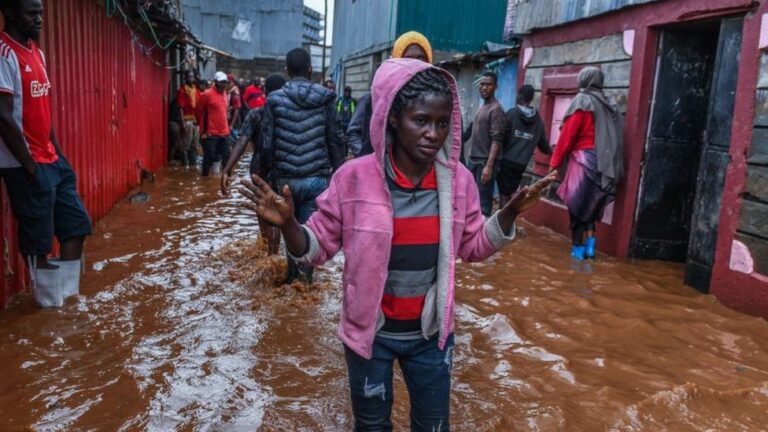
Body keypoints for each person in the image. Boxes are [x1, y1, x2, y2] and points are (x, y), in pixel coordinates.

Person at [240, 59, 557, 431]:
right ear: (392, 117)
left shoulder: (459, 183)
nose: (432, 134)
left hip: (430, 336)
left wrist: (508, 214)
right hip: (369, 336)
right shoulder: (353, 179)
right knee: (372, 426)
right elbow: (316, 248)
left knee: (433, 426)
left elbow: (472, 246)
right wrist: (292, 223)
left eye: (441, 123)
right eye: (420, 120)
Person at [0, 0, 92, 307]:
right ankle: (48, 310)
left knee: (76, 226)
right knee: (38, 242)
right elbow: (3, 117)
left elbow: (43, 112)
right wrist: (30, 167)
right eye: (31, 13)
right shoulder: (4, 53)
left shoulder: (37, 53)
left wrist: (61, 158)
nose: (39, 19)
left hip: (53, 160)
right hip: (24, 165)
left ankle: (67, 301)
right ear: (10, 12)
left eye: (41, 12)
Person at [260, 47, 343, 283]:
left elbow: (267, 143)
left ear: (287, 71)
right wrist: (340, 175)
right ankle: (304, 285)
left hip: (285, 179)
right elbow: (335, 138)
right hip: (316, 179)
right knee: (310, 232)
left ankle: (291, 280)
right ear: (310, 70)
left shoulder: (274, 99)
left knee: (289, 227)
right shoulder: (327, 97)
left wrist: (266, 178)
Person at [549, 66, 624, 260]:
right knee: (591, 207)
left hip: (583, 162)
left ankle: (577, 253)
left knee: (577, 207)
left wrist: (554, 163)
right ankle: (591, 248)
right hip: (603, 163)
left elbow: (568, 136)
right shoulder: (607, 104)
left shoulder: (582, 101)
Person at [221, 74, 287, 255]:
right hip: (283, 169)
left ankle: (268, 251)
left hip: (259, 169)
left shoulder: (255, 114)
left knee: (262, 209)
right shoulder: (290, 116)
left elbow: (241, 142)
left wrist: (227, 169)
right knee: (278, 211)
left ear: (265, 92)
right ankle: (274, 256)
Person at [347, 30, 433, 158]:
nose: (415, 65)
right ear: (396, 61)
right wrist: (367, 159)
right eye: (407, 59)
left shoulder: (440, 100)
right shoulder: (375, 98)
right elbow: (353, 132)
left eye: (421, 58)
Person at [499, 84, 550, 206]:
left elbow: (503, 138)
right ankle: (508, 221)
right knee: (511, 193)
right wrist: (554, 151)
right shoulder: (538, 120)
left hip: (506, 161)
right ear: (531, 99)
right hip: (521, 164)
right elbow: (543, 145)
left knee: (504, 195)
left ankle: (503, 222)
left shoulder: (511, 114)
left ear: (519, 97)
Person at [464, 72, 506, 217]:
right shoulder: (482, 107)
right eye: (482, 84)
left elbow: (497, 140)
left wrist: (488, 166)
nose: (484, 87)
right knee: (470, 198)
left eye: (488, 84)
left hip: (484, 163)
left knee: (483, 203)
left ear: (495, 87)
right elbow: (468, 133)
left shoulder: (496, 110)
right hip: (474, 161)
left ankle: (482, 234)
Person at [197, 71, 231, 177]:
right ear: (215, 82)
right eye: (221, 82)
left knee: (227, 157)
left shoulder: (225, 94)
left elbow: (224, 111)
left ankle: (227, 180)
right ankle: (205, 179)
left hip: (224, 132)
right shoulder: (207, 94)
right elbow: (198, 111)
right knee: (209, 157)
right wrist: (202, 129)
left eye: (225, 82)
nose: (224, 84)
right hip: (210, 132)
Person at [175, 70, 200, 167]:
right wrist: (182, 123)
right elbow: (180, 107)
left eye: (192, 77)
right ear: (185, 78)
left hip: (195, 121)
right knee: (186, 144)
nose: (191, 79)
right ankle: (185, 166)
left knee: (194, 145)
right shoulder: (182, 90)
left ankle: (192, 167)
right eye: (189, 77)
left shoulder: (195, 89)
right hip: (187, 120)